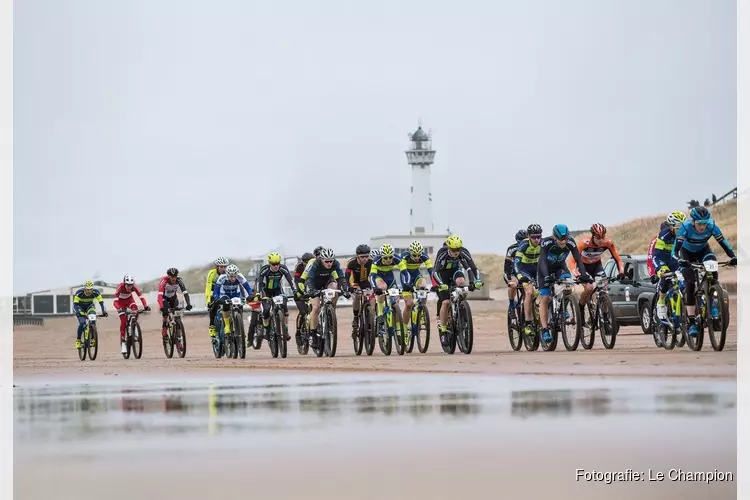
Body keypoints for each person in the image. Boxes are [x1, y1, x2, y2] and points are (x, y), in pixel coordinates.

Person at [671, 206, 737, 337]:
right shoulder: (685, 228)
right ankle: (691, 323)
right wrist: (679, 260)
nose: (702, 227)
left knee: (713, 273)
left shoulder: (712, 226)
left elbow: (724, 243)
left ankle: (712, 300)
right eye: (700, 224)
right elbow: (674, 251)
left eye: (705, 224)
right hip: (686, 254)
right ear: (693, 221)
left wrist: (733, 257)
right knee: (690, 284)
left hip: (703, 252)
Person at [537, 224, 591, 344]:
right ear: (554, 237)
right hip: (544, 269)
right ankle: (545, 329)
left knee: (567, 284)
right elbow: (542, 262)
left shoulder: (570, 242)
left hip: (560, 268)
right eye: (561, 239)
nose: (563, 242)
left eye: (565, 238)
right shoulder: (546, 243)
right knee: (545, 297)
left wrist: (583, 274)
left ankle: (563, 305)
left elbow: (578, 259)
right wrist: (546, 277)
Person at [432, 235, 483, 347]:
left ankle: (461, 310)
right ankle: (444, 330)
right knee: (445, 302)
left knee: (461, 283)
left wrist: (477, 281)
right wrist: (440, 284)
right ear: (449, 248)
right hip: (442, 275)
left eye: (458, 249)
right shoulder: (443, 253)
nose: (456, 252)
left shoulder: (463, 252)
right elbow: (435, 272)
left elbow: (473, 268)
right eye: (454, 250)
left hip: (455, 272)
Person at [567, 223, 625, 317]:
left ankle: (604, 315)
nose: (601, 240)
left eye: (603, 237)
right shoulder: (584, 243)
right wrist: (578, 275)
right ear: (593, 236)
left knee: (604, 288)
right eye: (598, 238)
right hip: (583, 267)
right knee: (589, 288)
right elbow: (572, 261)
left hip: (596, 265)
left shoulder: (608, 243)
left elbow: (618, 259)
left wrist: (621, 272)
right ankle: (581, 308)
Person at [301, 247, 350, 348]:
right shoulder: (316, 263)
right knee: (315, 307)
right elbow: (309, 279)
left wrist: (345, 289)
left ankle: (331, 311)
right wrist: (312, 291)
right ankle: (313, 335)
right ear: (321, 259)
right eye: (326, 261)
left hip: (327, 281)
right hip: (314, 284)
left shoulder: (335, 263)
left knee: (334, 288)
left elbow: (341, 278)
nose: (329, 264)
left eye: (331, 261)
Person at [253, 252, 299, 343]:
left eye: (278, 263)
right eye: (274, 264)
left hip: (277, 290)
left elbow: (291, 280)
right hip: (265, 291)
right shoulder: (264, 269)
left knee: (284, 307)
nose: (276, 266)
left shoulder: (283, 269)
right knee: (266, 310)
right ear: (269, 263)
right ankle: (266, 328)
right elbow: (259, 282)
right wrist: (258, 294)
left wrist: (295, 291)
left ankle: (285, 329)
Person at [651, 211, 687, 321]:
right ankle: (661, 302)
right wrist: (658, 270)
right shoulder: (664, 235)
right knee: (665, 276)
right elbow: (656, 255)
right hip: (662, 259)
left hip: (675, 260)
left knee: (684, 280)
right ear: (671, 227)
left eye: (683, 227)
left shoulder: (686, 234)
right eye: (678, 228)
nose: (681, 231)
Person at [369, 244, 410, 335]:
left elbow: (405, 273)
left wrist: (406, 283)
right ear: (381, 256)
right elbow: (372, 276)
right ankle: (379, 313)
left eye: (390, 257)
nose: (388, 260)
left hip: (390, 278)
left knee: (396, 300)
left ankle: (398, 328)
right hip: (379, 277)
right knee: (382, 287)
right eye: (386, 258)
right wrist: (375, 288)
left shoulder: (396, 258)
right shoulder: (376, 260)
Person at [400, 240, 436, 338]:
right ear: (410, 253)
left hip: (416, 275)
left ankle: (422, 309)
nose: (417, 258)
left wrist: (435, 284)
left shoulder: (424, 256)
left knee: (423, 286)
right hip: (405, 276)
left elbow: (431, 271)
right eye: (414, 255)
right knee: (409, 304)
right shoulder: (404, 256)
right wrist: (407, 285)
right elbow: (404, 272)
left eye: (418, 255)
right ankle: (405, 328)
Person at [513, 224, 542, 334]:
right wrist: (520, 277)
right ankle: (528, 323)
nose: (537, 240)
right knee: (529, 292)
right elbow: (516, 263)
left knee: (544, 292)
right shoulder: (523, 245)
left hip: (537, 270)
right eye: (534, 237)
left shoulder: (543, 243)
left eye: (539, 237)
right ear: (529, 237)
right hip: (525, 270)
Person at [211, 264, 254, 335]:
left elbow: (248, 288)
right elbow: (216, 291)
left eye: (235, 276)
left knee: (240, 305)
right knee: (226, 306)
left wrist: (250, 295)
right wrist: (217, 299)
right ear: (227, 275)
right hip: (225, 294)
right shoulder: (222, 277)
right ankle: (227, 325)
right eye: (231, 276)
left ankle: (239, 323)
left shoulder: (240, 276)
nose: (233, 278)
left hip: (235, 294)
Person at [114, 275, 151, 352]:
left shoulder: (134, 287)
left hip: (129, 300)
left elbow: (141, 297)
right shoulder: (120, 287)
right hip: (120, 304)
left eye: (131, 285)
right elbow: (115, 301)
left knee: (136, 310)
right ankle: (123, 343)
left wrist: (146, 306)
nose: (129, 287)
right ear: (124, 283)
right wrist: (119, 308)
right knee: (123, 322)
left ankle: (133, 325)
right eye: (128, 285)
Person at [346, 244, 375, 338]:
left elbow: (374, 275)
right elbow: (347, 276)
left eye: (367, 256)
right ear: (357, 256)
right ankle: (355, 317)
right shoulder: (352, 263)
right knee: (358, 295)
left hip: (366, 282)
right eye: (362, 257)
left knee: (372, 296)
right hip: (355, 282)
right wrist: (348, 286)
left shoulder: (371, 262)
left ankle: (371, 317)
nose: (365, 259)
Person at [157, 268, 193, 339]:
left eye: (175, 276)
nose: (173, 278)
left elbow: (185, 293)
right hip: (164, 299)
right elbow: (160, 295)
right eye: (171, 277)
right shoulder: (164, 281)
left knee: (177, 316)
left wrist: (188, 304)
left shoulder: (179, 280)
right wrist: (161, 306)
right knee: (166, 313)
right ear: (168, 276)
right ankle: (164, 329)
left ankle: (178, 338)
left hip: (173, 298)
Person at [72, 280, 108, 349]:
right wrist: (77, 312)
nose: (89, 291)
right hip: (80, 308)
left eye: (90, 290)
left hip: (90, 306)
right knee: (82, 323)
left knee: (93, 320)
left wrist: (104, 311)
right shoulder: (79, 293)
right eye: (87, 290)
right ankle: (78, 340)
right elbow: (75, 305)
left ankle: (92, 338)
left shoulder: (96, 292)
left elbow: (101, 303)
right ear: (84, 289)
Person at [504, 228, 528, 320]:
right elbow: (507, 267)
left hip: (524, 273)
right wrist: (510, 278)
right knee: (513, 285)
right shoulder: (511, 249)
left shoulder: (530, 248)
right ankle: (511, 306)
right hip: (512, 272)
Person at [292, 252, 315, 343]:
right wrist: (301, 292)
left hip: (310, 290)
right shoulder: (299, 267)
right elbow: (297, 281)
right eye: (306, 263)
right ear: (303, 263)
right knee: (303, 312)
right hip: (300, 291)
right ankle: (298, 332)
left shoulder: (315, 266)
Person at [205, 257, 228, 338]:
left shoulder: (228, 273)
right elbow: (208, 287)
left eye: (225, 266)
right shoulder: (212, 273)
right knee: (213, 305)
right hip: (213, 292)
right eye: (221, 267)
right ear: (217, 267)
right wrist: (208, 300)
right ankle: (212, 326)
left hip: (224, 292)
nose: (223, 268)